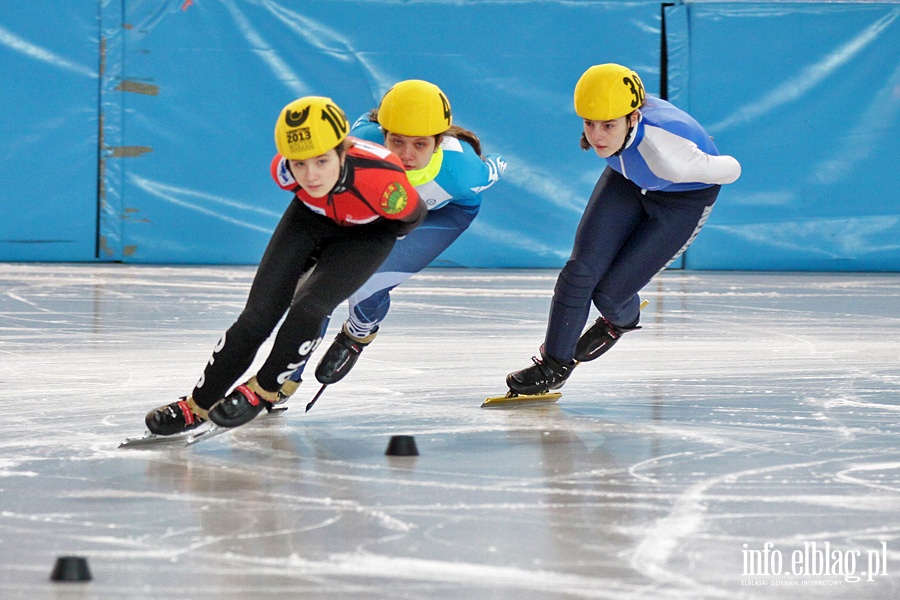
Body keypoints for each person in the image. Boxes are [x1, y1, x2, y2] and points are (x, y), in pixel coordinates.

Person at [144, 95, 427, 435]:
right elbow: (305, 186)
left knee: (309, 309)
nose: (311, 175)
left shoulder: (383, 182)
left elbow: (411, 217)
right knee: (257, 316)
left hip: (368, 233)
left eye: (322, 161)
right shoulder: (283, 171)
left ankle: (263, 390)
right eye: (300, 164)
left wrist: (364, 240)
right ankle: (198, 405)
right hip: (311, 218)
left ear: (343, 150)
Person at [506, 63, 741, 395]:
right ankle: (553, 367)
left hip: (684, 199)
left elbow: (733, 169)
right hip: (630, 179)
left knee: (610, 295)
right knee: (579, 272)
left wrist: (701, 159)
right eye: (589, 124)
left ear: (633, 118)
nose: (597, 136)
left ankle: (621, 321)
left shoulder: (668, 153)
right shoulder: (615, 122)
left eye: (608, 126)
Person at [282, 79, 506, 392]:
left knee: (368, 279)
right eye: (397, 142)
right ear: (383, 134)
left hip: (440, 214)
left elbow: (497, 164)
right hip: (380, 208)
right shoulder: (357, 145)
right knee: (313, 287)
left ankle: (360, 332)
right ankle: (286, 378)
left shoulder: (465, 171)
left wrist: (489, 162)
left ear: (438, 142)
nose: (406, 155)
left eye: (420, 144)